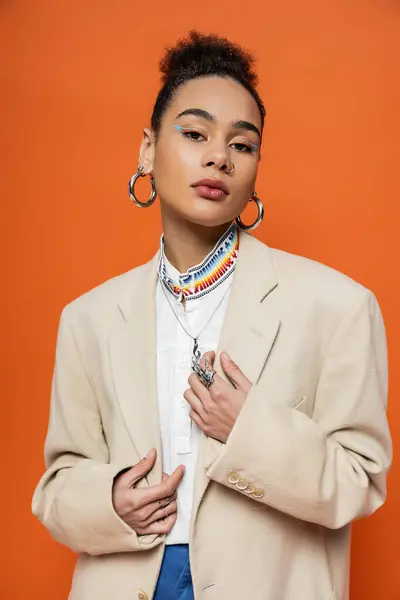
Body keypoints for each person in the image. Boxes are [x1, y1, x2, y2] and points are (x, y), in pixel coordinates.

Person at [32, 31, 392, 600]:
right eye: (194, 133)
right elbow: (55, 490)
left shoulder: (338, 306)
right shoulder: (89, 319)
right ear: (147, 150)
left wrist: (248, 429)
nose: (218, 156)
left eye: (242, 145)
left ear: (254, 167)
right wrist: (111, 502)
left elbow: (360, 483)